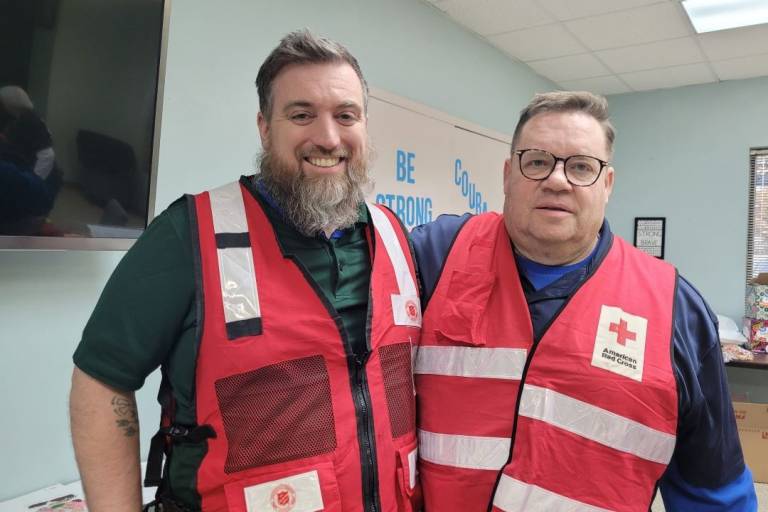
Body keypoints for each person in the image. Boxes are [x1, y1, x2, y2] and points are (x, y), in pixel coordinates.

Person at [70, 30, 421, 512]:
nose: (328, 137)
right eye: (301, 115)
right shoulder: (188, 235)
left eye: (346, 115)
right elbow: (102, 378)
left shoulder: (394, 238)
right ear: (264, 127)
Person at [411, 91, 757, 511]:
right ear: (507, 175)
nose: (557, 180)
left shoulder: (674, 311)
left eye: (580, 167)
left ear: (607, 184)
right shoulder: (436, 257)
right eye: (537, 161)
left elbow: (715, 491)